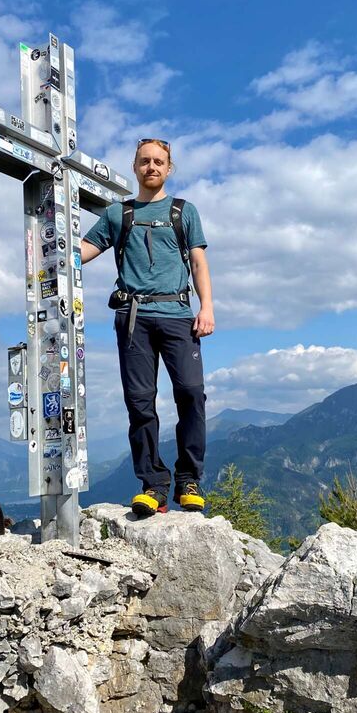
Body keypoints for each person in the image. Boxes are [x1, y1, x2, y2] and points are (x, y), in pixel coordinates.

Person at [80, 139, 215, 517]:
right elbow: (85, 250)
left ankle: (189, 480)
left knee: (191, 393)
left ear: (168, 168)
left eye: (158, 161)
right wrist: (49, 241)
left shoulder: (183, 211)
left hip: (178, 314)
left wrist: (206, 307)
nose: (151, 167)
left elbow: (198, 262)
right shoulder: (117, 214)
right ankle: (153, 484)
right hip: (133, 318)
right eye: (144, 161)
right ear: (135, 166)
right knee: (139, 402)